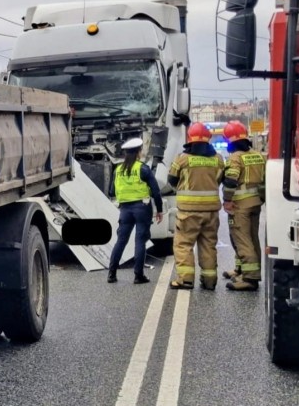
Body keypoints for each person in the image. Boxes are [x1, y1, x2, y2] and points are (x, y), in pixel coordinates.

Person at [168, 122, 225, 290]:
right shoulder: (218, 159)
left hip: (188, 212)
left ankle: (185, 279)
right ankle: (209, 281)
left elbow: (172, 180)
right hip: (211, 212)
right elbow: (220, 180)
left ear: (190, 139)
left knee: (183, 244)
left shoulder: (182, 159)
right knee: (208, 245)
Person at [107, 138, 164, 284]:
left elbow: (112, 191)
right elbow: (156, 191)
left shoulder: (118, 170)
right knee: (140, 241)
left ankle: (111, 274)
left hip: (125, 209)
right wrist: (159, 210)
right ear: (138, 152)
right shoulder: (143, 168)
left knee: (121, 241)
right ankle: (138, 276)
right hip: (142, 208)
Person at [220, 120, 266, 291]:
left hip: (240, 206)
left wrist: (227, 200)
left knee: (242, 239)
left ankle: (250, 278)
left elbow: (231, 181)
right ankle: (241, 271)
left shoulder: (235, 158)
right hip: (255, 204)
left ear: (230, 141)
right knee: (253, 239)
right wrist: (260, 199)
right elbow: (263, 183)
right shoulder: (258, 156)